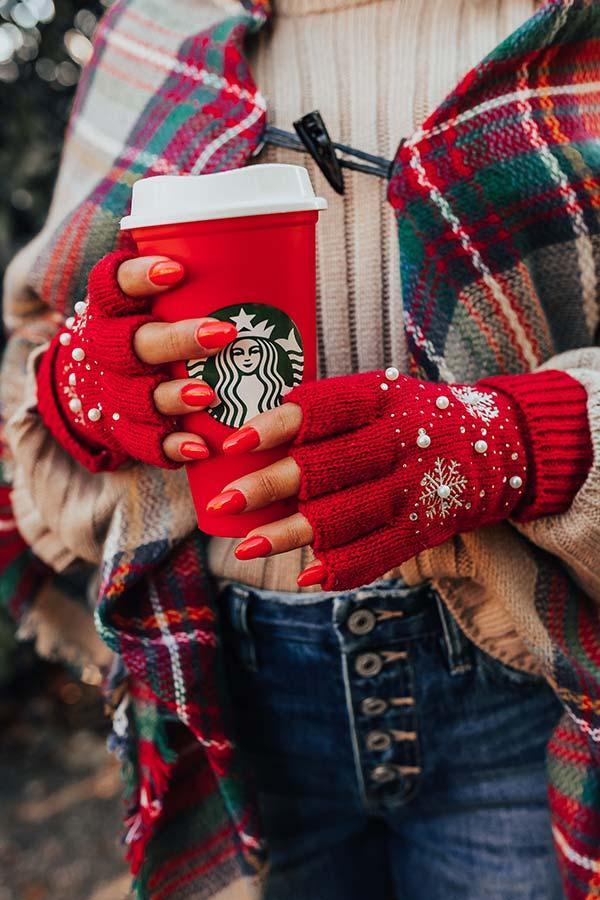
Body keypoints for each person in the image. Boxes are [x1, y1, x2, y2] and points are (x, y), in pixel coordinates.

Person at [2, 0, 600, 898]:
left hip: (519, 675)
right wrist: (84, 392)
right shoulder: (158, 24)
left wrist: (516, 441)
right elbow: (40, 339)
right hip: (230, 689)